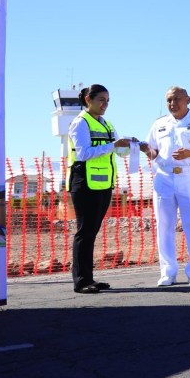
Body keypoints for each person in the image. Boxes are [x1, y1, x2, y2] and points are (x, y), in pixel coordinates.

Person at [67, 84, 141, 294]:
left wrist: (130, 145)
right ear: (88, 99)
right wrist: (113, 145)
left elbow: (121, 153)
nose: (105, 104)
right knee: (85, 232)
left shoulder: (107, 124)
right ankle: (81, 281)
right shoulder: (80, 123)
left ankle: (88, 278)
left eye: (107, 101)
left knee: (92, 231)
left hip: (103, 185)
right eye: (101, 100)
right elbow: (82, 153)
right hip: (84, 184)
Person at [143, 86, 190, 287]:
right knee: (164, 226)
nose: (172, 104)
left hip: (189, 176)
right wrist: (143, 148)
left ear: (188, 100)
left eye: (176, 99)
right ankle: (168, 272)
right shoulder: (159, 124)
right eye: (169, 100)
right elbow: (154, 152)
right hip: (164, 177)